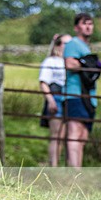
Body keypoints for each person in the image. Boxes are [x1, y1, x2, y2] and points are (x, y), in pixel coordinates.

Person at [63, 12, 100, 169]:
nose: (88, 26)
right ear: (76, 27)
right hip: (74, 93)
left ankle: (78, 170)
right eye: (84, 23)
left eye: (90, 23)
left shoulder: (86, 46)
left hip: (89, 96)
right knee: (74, 131)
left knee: (83, 135)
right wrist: (88, 64)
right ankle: (73, 170)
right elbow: (70, 64)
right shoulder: (72, 43)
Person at [39, 33, 71, 167]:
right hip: (56, 97)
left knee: (64, 136)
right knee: (56, 135)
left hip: (68, 98)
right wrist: (50, 100)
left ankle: (59, 165)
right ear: (58, 45)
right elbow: (43, 83)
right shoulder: (50, 61)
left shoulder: (70, 61)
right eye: (66, 43)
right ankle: (53, 165)